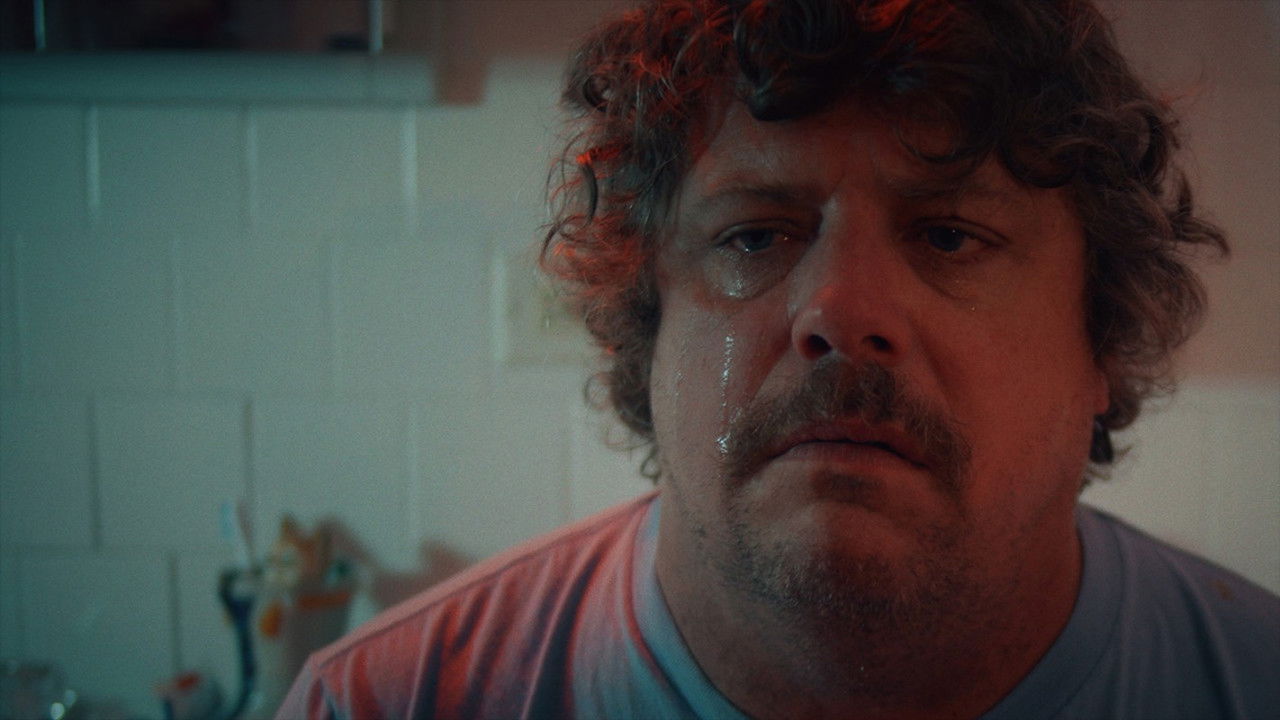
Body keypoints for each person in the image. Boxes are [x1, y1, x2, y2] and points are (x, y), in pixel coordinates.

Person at [277, 0, 1280, 717]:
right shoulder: (386, 702)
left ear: (1097, 337)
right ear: (648, 326)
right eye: (754, 236)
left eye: (948, 236)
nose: (839, 312)